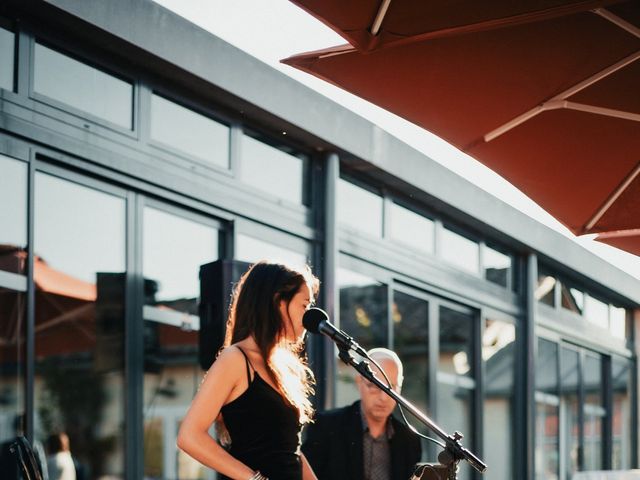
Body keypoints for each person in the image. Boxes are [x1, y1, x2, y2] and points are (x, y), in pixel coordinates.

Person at [177, 260, 320, 480]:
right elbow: (189, 436)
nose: (309, 315)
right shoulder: (235, 359)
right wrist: (254, 479)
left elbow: (289, 450)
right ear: (278, 302)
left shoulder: (284, 367)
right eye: (305, 305)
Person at [302, 348, 422, 480]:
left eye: (392, 387)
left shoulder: (409, 439)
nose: (383, 397)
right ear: (359, 382)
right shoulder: (327, 426)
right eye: (375, 386)